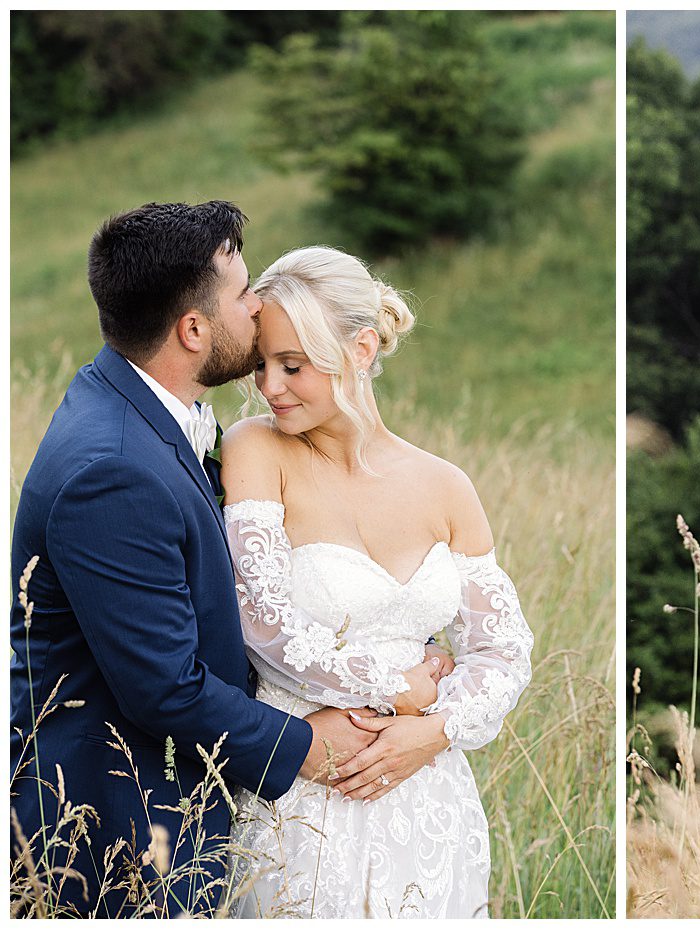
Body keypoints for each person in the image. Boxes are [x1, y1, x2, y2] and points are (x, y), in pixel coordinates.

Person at [9, 202, 380, 916]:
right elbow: (165, 687)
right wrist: (305, 743)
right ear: (192, 329)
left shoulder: (145, 417)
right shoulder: (112, 468)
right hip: (112, 836)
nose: (258, 304)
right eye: (243, 293)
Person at [219, 246, 535, 917]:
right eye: (263, 366)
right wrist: (400, 690)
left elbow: (502, 649)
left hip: (428, 793)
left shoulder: (446, 485)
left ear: (360, 349)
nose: (270, 386)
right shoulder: (254, 449)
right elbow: (267, 626)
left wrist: (436, 727)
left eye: (292, 365)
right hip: (307, 788)